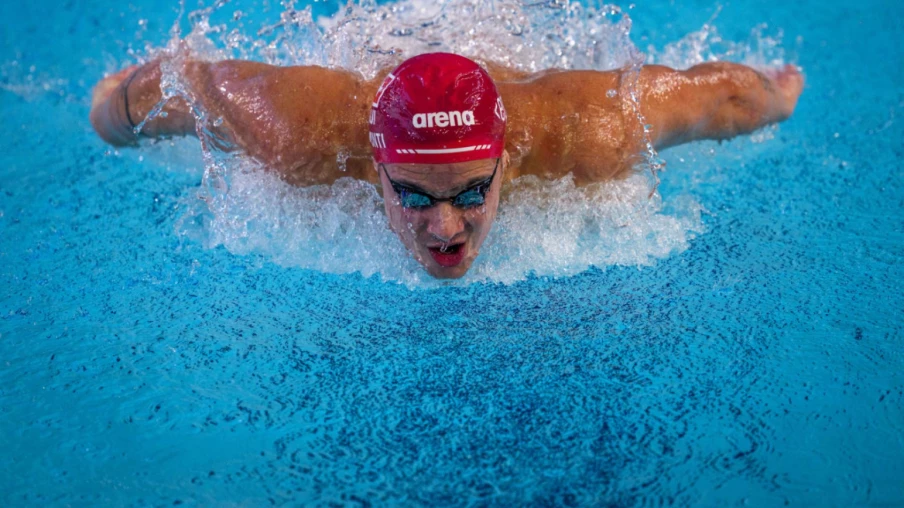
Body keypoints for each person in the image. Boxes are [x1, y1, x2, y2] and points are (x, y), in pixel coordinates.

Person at [90, 52, 803, 278]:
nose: (446, 227)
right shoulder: (299, 136)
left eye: (470, 191)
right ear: (373, 167)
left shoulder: (585, 131)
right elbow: (186, 83)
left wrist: (780, 97)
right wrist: (112, 114)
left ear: (505, 157)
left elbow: (725, 98)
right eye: (413, 195)